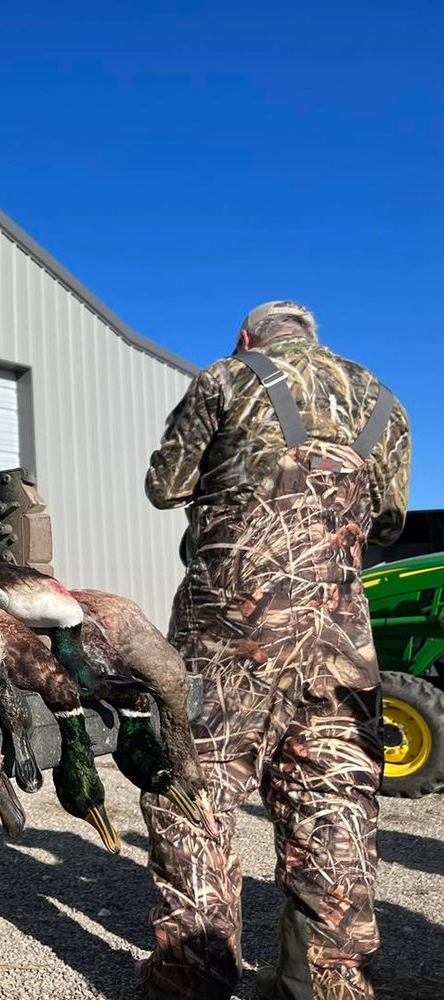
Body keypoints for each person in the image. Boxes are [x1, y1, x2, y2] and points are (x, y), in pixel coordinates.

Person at [136, 301, 411, 1000]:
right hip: (340, 639)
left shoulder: (226, 378)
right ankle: (326, 978)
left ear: (244, 337)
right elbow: (387, 521)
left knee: (194, 786)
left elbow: (163, 486)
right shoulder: (385, 402)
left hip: (233, 630)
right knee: (333, 797)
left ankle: (192, 976)